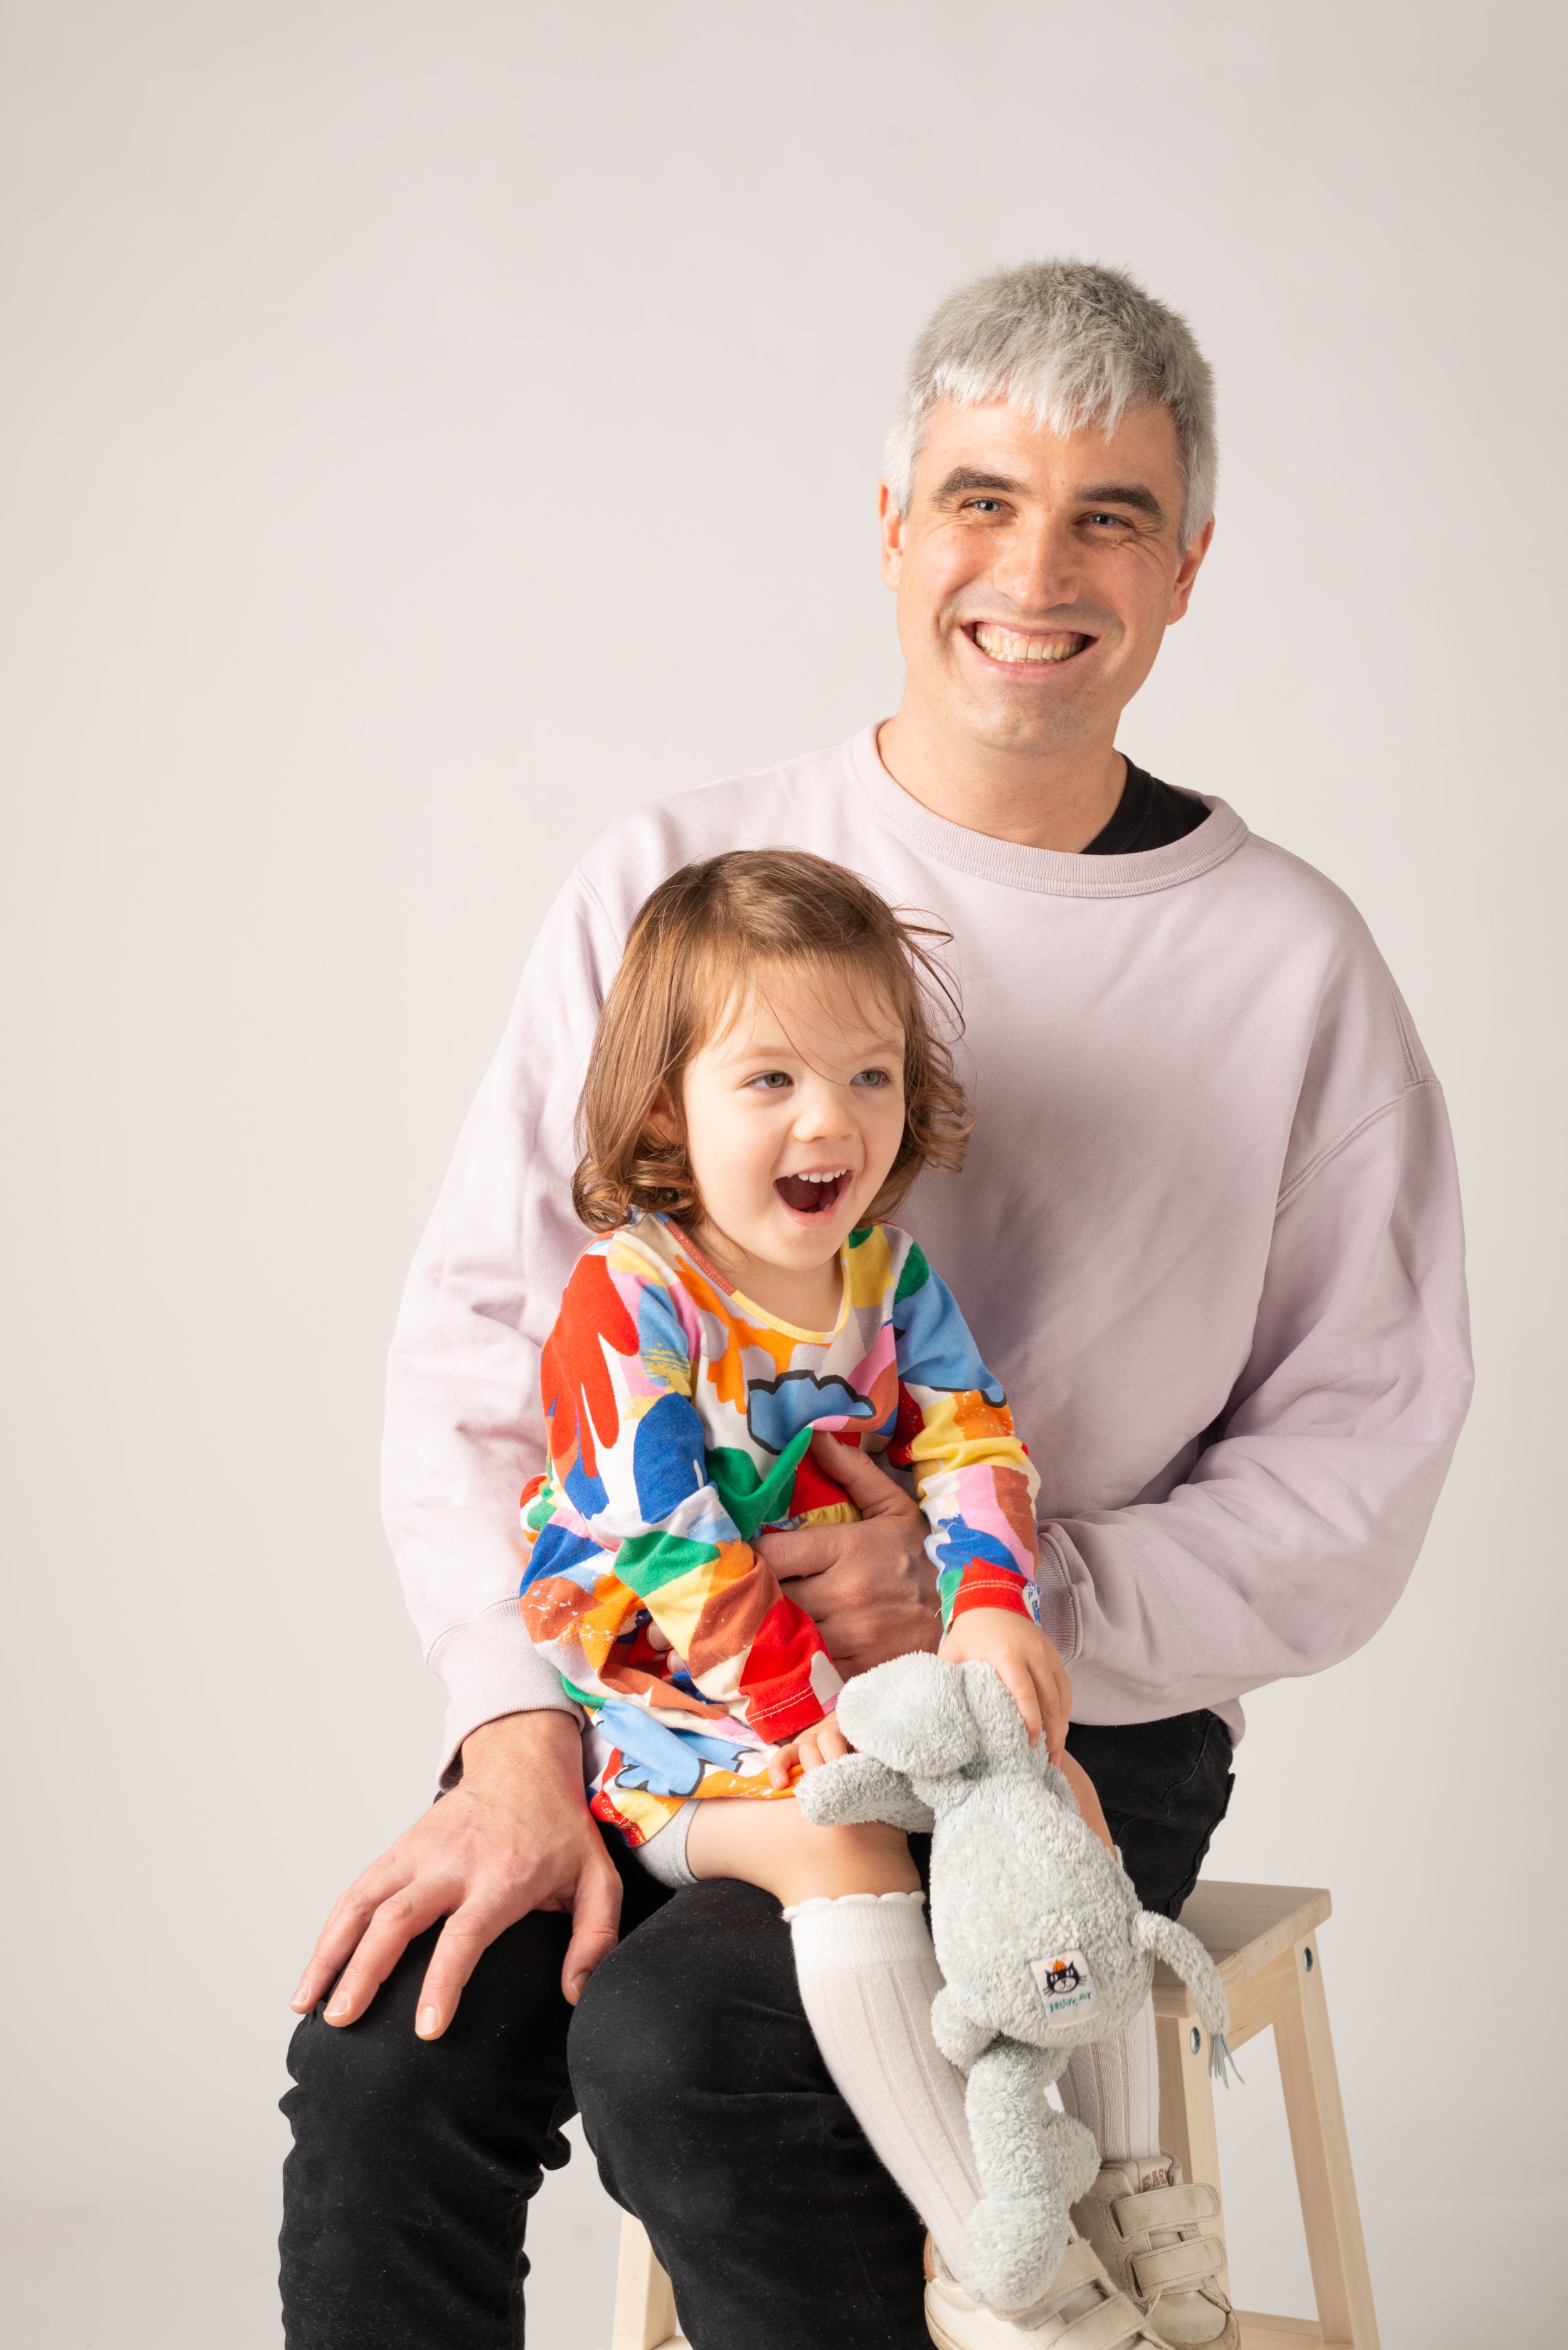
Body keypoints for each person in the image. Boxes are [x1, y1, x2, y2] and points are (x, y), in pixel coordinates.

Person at [280, 261, 1471, 2350]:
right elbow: (492, 1337)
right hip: (656, 1673)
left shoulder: (1291, 964)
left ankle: (1021, 2277)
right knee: (391, 2044)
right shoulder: (680, 869)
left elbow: (1357, 1471)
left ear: (1190, 565)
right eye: (983, 497)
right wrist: (511, 1724)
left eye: (1111, 513)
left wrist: (1003, 1606)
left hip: (1046, 1719)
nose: (1038, 566)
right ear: (895, 521)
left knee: (696, 2045)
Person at [519, 844, 1131, 2342]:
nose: (831, 1119)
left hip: (870, 1688)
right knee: (839, 1849)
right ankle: (1006, 2256)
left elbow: (973, 1435)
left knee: (1057, 1798)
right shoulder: (633, 1296)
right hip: (682, 1735)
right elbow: (676, 1554)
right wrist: (808, 1717)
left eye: (868, 1076)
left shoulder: (887, 1273)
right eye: (771, 1079)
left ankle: (1118, 2204)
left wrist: (988, 1602)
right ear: (666, 1104)